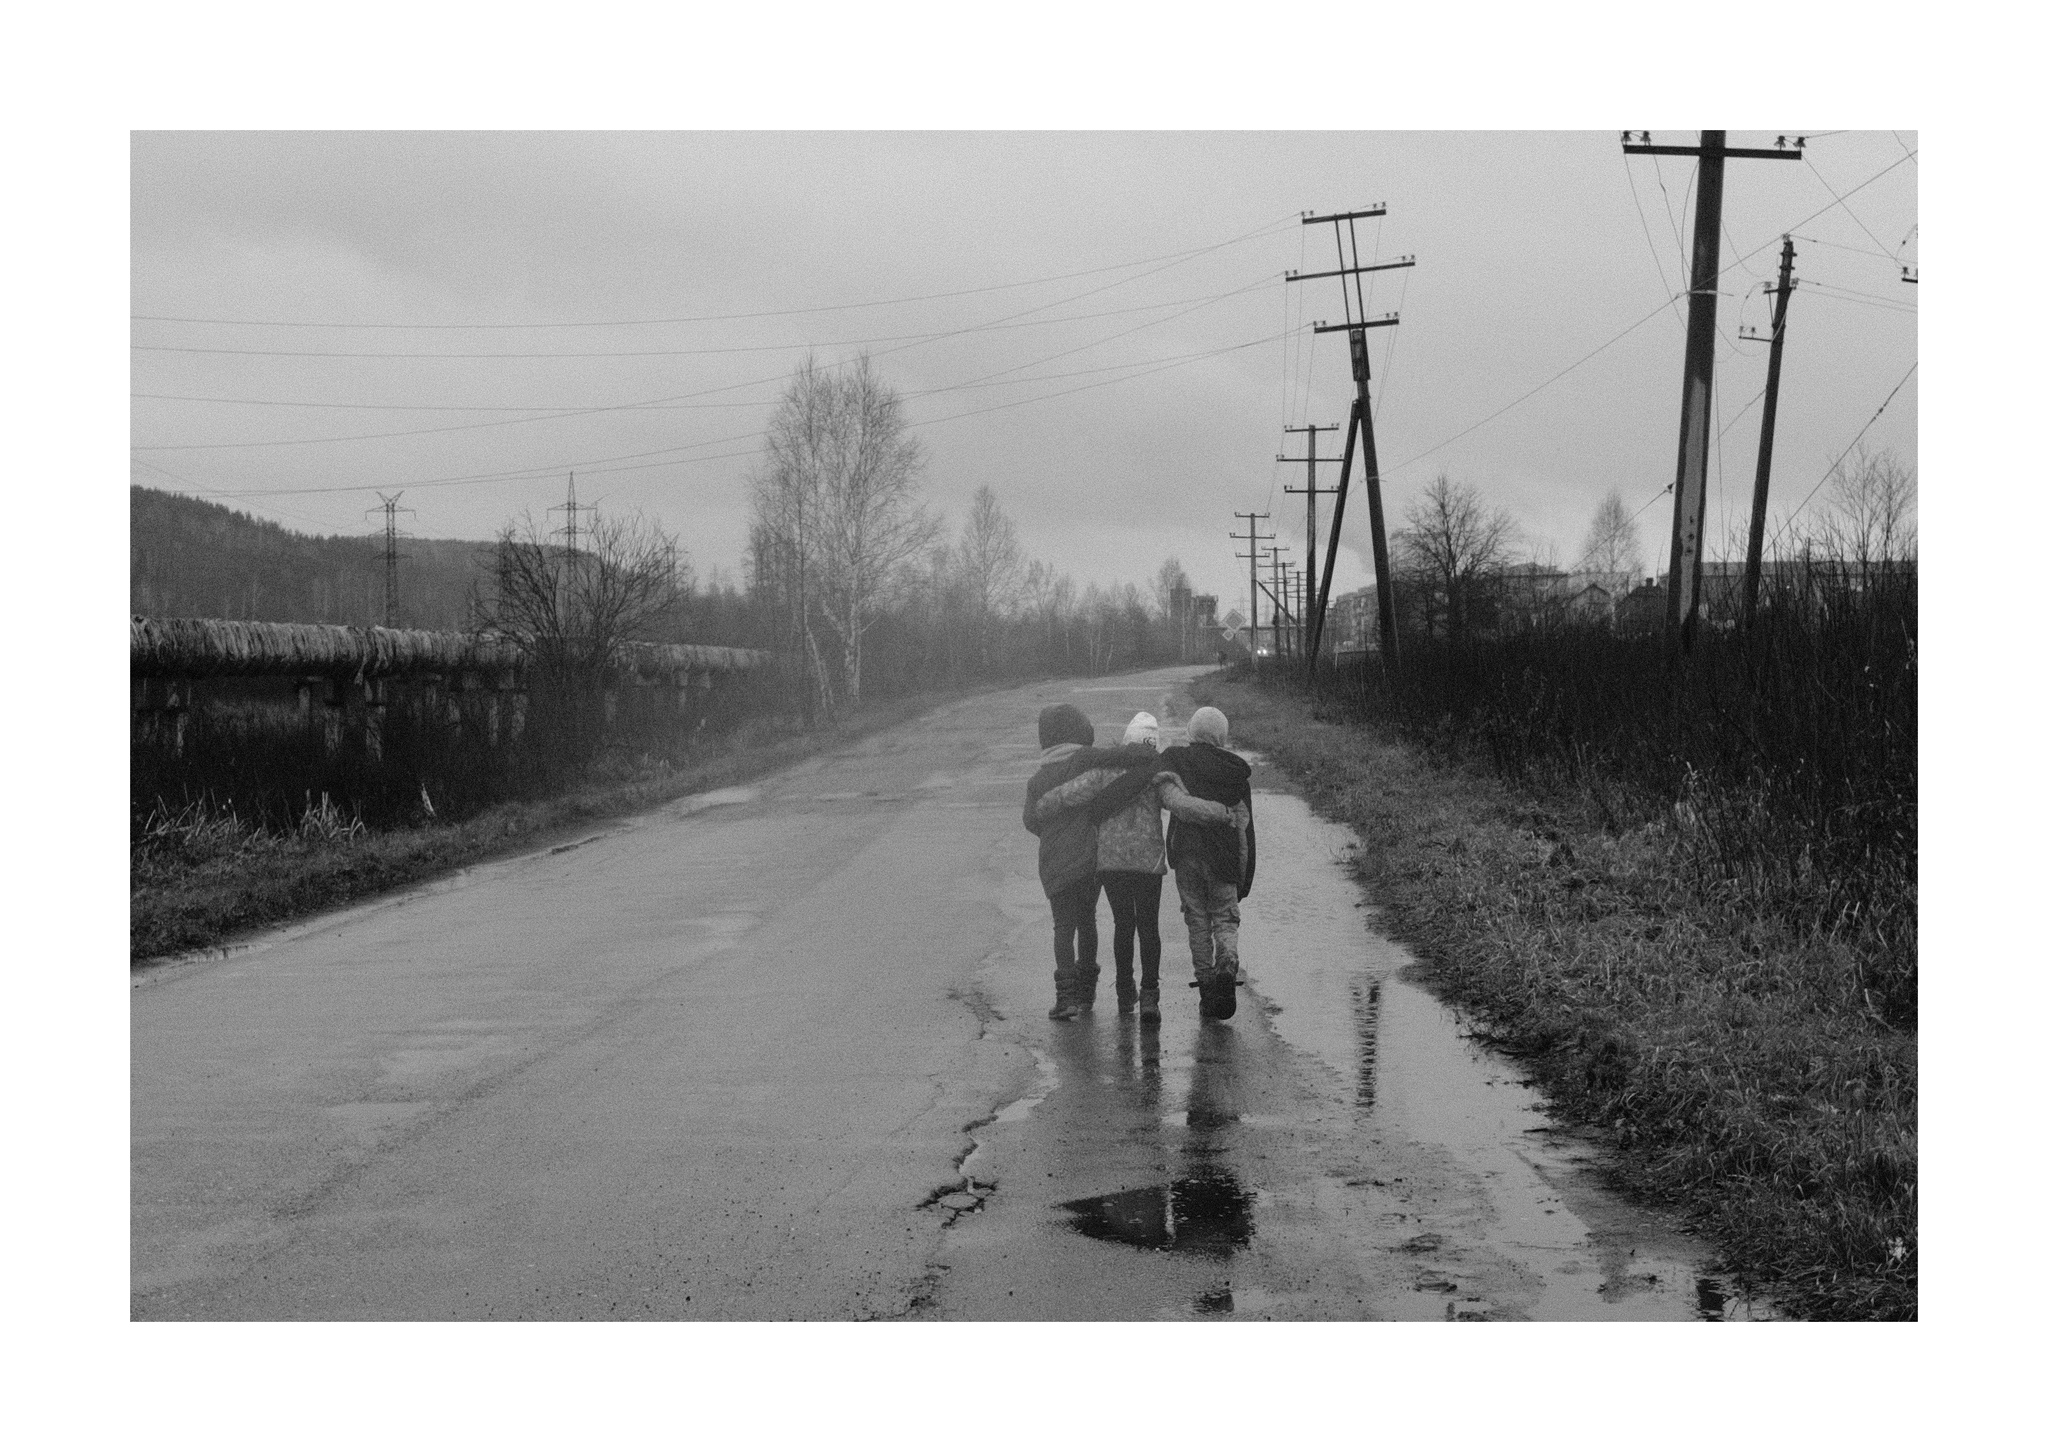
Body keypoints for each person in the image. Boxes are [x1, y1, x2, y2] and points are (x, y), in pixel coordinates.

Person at [1033, 711, 1229, 1022]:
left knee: (1123, 927)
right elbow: (1181, 804)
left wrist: (1041, 807)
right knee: (1149, 929)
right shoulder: (1157, 775)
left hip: (1112, 864)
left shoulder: (1103, 773)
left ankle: (1125, 995)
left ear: (1127, 742)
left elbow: (1067, 794)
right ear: (1153, 745)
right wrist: (1218, 812)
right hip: (1148, 863)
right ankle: (1150, 996)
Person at [1022, 705, 1158, 1021]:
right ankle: (1087, 993)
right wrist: (1147, 752)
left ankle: (1065, 997)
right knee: (1087, 922)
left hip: (1054, 863)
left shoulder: (1038, 780)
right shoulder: (1084, 760)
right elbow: (1120, 758)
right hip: (1087, 859)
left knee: (1062, 927)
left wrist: (1050, 831)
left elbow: (1030, 820)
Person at [1155, 706, 1256, 1020]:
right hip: (1223, 856)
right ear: (1221, 736)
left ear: (1192, 732)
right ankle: (1226, 966)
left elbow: (1172, 800)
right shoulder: (1235, 773)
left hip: (1187, 854)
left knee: (1197, 919)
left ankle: (1207, 989)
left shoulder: (1178, 761)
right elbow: (1245, 830)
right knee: (1225, 919)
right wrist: (1245, 876)